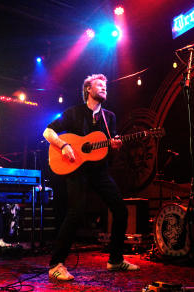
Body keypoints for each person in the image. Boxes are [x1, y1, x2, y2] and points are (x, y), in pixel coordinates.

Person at [43, 74, 139, 281]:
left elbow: (105, 145)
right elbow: (47, 132)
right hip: (76, 169)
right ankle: (55, 264)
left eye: (106, 86)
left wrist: (115, 145)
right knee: (76, 212)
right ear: (88, 89)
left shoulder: (109, 117)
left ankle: (115, 260)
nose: (105, 88)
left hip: (99, 170)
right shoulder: (73, 113)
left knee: (121, 211)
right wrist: (64, 145)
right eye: (100, 85)